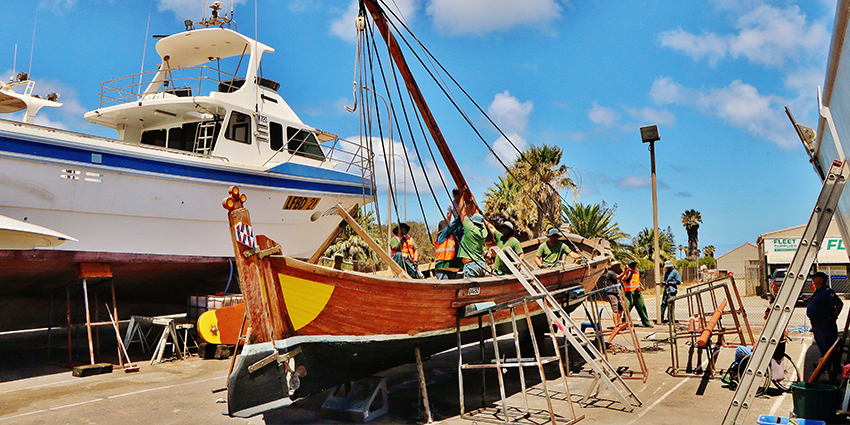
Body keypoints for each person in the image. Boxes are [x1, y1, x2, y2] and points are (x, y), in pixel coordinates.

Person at [807, 271, 843, 356]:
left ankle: (831, 364)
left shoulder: (826, 291)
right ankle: (825, 362)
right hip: (817, 323)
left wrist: (834, 317)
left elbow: (839, 304)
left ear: (821, 279)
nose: (813, 279)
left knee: (827, 344)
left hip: (824, 323)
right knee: (821, 345)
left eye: (815, 277)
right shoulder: (818, 291)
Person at [457, 199, 488, 278]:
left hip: (471, 266)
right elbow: (478, 214)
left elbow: (462, 212)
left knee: (470, 289)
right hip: (481, 264)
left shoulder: (469, 228)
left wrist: (462, 196)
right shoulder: (483, 231)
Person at [619, 261, 652, 327]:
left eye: (634, 265)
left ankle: (646, 323)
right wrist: (630, 272)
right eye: (632, 265)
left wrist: (643, 275)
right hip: (629, 293)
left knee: (642, 308)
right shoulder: (627, 272)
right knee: (627, 308)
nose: (633, 266)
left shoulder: (637, 271)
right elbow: (626, 280)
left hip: (637, 292)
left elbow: (644, 272)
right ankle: (625, 323)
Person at [599, 261, 624, 327]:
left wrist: (625, 272)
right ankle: (616, 324)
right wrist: (625, 271)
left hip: (616, 292)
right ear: (614, 267)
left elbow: (622, 277)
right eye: (618, 266)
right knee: (615, 309)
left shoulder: (615, 273)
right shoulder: (611, 273)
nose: (619, 267)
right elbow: (618, 277)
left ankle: (620, 322)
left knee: (621, 308)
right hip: (611, 293)